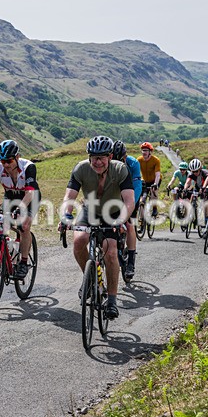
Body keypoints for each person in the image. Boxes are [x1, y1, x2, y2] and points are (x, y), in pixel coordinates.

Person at [59, 136, 135, 319]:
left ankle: (112, 300)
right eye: (94, 158)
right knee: (79, 241)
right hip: (90, 210)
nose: (98, 162)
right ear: (89, 157)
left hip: (113, 213)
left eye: (101, 158)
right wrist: (66, 216)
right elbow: (69, 197)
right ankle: (90, 278)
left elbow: (129, 200)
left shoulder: (120, 169)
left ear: (110, 157)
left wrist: (121, 220)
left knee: (110, 251)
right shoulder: (81, 168)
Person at [0, 140, 40, 279]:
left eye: (9, 161)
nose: (6, 165)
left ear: (17, 157)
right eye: (3, 161)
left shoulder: (29, 167)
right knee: (1, 225)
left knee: (24, 226)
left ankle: (23, 262)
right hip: (10, 196)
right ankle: (9, 248)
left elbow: (30, 193)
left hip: (29, 197)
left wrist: (20, 209)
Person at [112, 140, 140, 282]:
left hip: (131, 195)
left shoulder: (133, 163)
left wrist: (130, 205)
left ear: (125, 156)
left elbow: (137, 186)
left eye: (121, 159)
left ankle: (130, 262)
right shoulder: (109, 163)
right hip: (115, 196)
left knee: (129, 225)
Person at [137, 142, 161, 218]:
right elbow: (136, 172)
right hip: (145, 180)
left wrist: (155, 184)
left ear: (150, 152)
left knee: (153, 192)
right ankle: (142, 218)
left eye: (146, 150)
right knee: (142, 197)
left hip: (155, 179)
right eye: (143, 150)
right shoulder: (139, 160)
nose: (144, 152)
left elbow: (157, 174)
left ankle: (154, 208)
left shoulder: (155, 160)